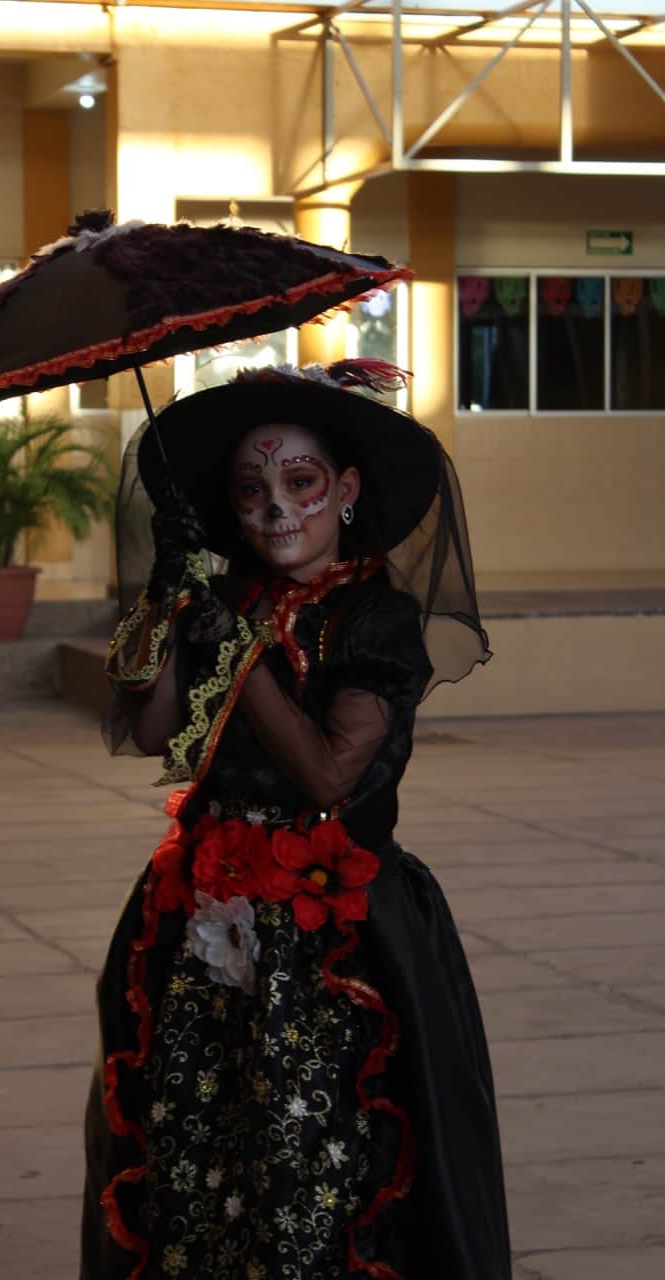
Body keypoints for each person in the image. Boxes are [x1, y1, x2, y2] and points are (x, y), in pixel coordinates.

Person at [80, 363, 512, 1280]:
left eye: (299, 482)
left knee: (319, 1156)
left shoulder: (377, 622)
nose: (276, 509)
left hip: (336, 940)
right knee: (200, 1149)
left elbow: (326, 773)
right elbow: (155, 730)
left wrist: (235, 649)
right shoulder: (223, 602)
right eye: (250, 490)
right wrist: (166, 602)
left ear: (345, 491)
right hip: (203, 925)